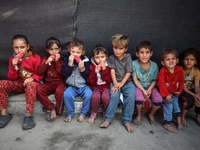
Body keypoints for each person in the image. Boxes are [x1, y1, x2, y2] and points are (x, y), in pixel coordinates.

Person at [0, 34, 43, 130]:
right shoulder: (12, 59)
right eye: (16, 47)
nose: (19, 51)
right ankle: (4, 114)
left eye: (22, 47)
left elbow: (40, 74)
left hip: (32, 83)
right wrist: (13, 66)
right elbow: (12, 78)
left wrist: (32, 79)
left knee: (31, 85)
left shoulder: (35, 57)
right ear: (13, 48)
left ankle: (29, 116)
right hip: (20, 84)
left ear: (28, 46)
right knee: (1, 84)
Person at [100, 34, 136, 133]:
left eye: (120, 48)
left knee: (131, 96)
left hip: (127, 82)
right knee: (114, 96)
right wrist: (116, 83)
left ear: (126, 48)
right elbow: (112, 71)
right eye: (115, 48)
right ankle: (108, 119)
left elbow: (129, 72)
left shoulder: (128, 57)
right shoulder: (112, 57)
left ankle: (127, 120)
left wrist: (122, 83)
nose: (117, 51)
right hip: (115, 81)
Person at [62, 38, 92, 123]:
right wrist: (70, 64)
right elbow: (65, 73)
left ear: (82, 52)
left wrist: (82, 69)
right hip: (71, 86)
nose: (75, 54)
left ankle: (83, 113)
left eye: (78, 53)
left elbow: (87, 76)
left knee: (89, 95)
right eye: (73, 52)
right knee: (67, 95)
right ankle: (70, 113)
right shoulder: (66, 59)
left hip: (83, 86)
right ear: (69, 51)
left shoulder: (85, 61)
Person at [132, 41, 162, 126]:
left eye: (147, 52)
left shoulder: (154, 65)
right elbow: (135, 80)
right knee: (139, 99)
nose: (144, 55)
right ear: (137, 54)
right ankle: (138, 115)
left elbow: (155, 80)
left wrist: (149, 89)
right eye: (141, 52)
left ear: (151, 53)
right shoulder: (134, 64)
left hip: (151, 86)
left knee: (158, 100)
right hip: (139, 86)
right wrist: (143, 90)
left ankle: (151, 114)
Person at [36, 37, 66, 121]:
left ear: (60, 49)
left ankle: (59, 112)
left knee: (60, 92)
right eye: (51, 49)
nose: (54, 52)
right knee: (38, 89)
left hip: (60, 82)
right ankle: (51, 108)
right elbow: (39, 72)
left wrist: (56, 62)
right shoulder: (45, 58)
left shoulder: (62, 59)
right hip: (49, 83)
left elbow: (63, 74)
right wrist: (46, 63)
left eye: (56, 49)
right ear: (47, 50)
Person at [157, 49, 184, 133]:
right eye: (168, 59)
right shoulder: (162, 72)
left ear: (177, 60)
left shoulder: (179, 70)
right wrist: (167, 95)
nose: (171, 61)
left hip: (175, 93)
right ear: (163, 62)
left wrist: (179, 91)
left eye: (173, 59)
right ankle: (167, 123)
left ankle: (179, 122)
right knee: (169, 106)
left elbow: (181, 81)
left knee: (176, 106)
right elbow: (161, 84)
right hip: (166, 94)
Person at [87, 44, 112, 124]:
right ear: (94, 58)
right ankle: (93, 114)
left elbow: (108, 80)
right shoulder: (91, 66)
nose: (100, 59)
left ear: (106, 57)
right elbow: (90, 81)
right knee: (95, 97)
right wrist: (94, 73)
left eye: (102, 57)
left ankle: (105, 113)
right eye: (97, 57)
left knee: (106, 98)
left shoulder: (108, 66)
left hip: (106, 87)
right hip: (95, 87)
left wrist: (104, 70)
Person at [179, 48, 200, 127]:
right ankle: (182, 117)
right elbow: (182, 87)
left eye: (192, 59)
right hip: (182, 90)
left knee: (199, 98)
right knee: (188, 99)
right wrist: (193, 95)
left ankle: (198, 116)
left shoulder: (196, 71)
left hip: (192, 89)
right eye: (186, 59)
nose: (189, 61)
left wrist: (197, 94)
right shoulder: (179, 70)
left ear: (195, 61)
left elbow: (197, 85)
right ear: (182, 60)